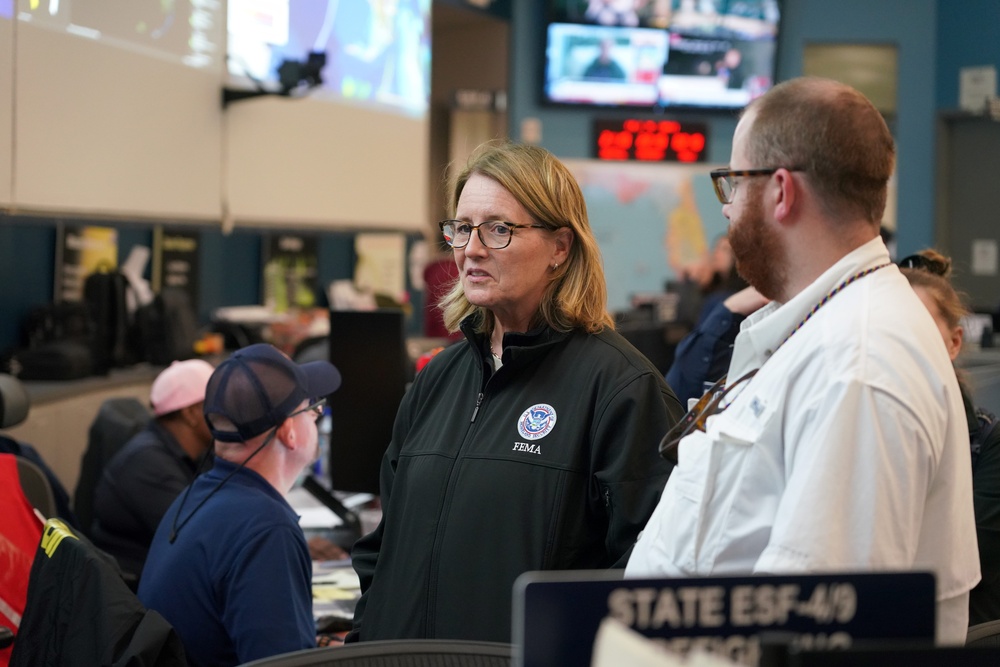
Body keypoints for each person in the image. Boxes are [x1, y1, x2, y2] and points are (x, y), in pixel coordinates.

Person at [625, 77, 980, 645]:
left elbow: (817, 631)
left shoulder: (859, 364)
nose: (727, 210)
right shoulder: (826, 326)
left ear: (781, 191)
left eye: (732, 184)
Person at [348, 140, 684, 643]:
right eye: (462, 229)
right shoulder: (437, 380)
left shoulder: (622, 390)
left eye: (499, 229)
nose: (472, 249)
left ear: (560, 247)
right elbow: (384, 551)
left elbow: (648, 582)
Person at [138, 343, 342, 667]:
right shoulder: (265, 530)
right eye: (313, 408)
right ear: (289, 432)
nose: (317, 416)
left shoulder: (197, 497)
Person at [899, 249, 1000, 626]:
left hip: (960, 633)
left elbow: (972, 558)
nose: (902, 347)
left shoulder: (990, 443)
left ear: (954, 343)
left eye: (919, 331)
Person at [90, 359, 215, 581]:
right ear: (191, 414)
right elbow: (201, 542)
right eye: (217, 401)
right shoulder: (149, 465)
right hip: (137, 592)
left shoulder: (197, 452)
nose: (227, 410)